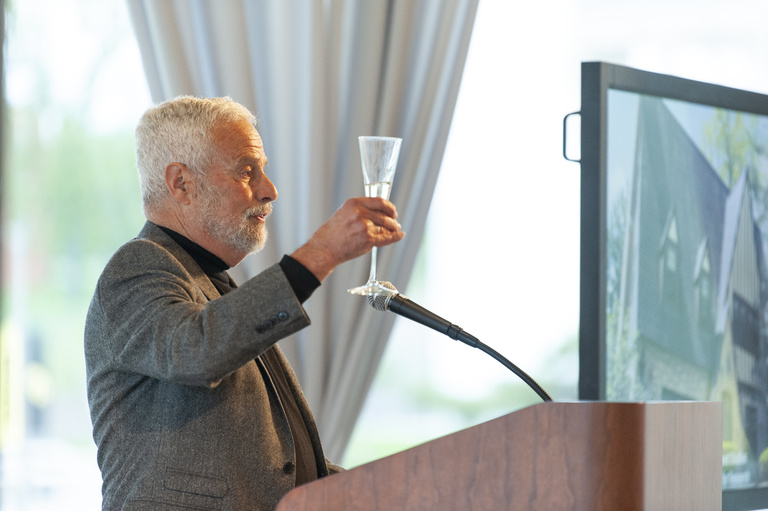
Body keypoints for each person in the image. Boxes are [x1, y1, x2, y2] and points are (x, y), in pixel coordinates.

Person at [84, 96, 405, 510]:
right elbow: (195, 350)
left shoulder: (215, 286)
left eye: (263, 171)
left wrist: (401, 485)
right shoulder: (138, 267)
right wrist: (320, 254)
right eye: (246, 171)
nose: (269, 191)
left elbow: (279, 467)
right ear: (181, 183)